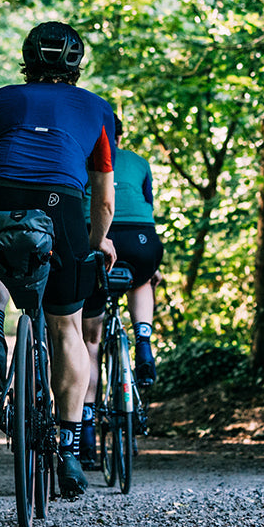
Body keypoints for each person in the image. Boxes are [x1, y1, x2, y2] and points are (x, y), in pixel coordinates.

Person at [0, 21, 117, 499]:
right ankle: (70, 450)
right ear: (77, 64)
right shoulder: (98, 110)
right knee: (66, 329)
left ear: (26, 58)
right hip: (62, 204)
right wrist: (93, 244)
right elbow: (105, 198)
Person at [79, 113, 164, 467]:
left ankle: (84, 433)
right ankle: (143, 341)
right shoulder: (139, 162)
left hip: (95, 238)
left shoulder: (80, 157)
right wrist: (152, 265)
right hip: (143, 240)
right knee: (143, 279)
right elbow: (147, 208)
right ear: (122, 134)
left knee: (89, 343)